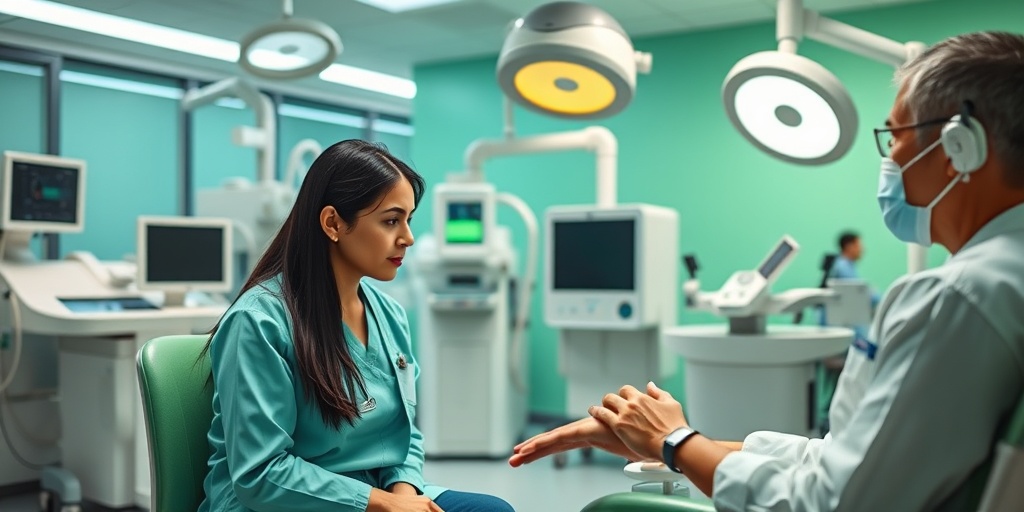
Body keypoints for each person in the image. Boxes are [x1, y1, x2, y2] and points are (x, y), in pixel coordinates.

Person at [510, 31, 1024, 511]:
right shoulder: (1001, 280)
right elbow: (852, 460)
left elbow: (829, 501)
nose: (889, 159)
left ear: (960, 145)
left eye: (894, 137)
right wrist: (674, 442)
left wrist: (674, 442)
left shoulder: (957, 296)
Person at [199, 140, 514, 512]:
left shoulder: (390, 316)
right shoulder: (259, 322)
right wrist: (377, 504)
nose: (408, 238)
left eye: (409, 220)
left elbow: (405, 433)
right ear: (334, 223)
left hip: (377, 494)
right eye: (391, 220)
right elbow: (260, 474)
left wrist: (403, 494)